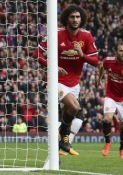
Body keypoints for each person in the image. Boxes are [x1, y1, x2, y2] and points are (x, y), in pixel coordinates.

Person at [32, 4, 98, 156]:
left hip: (74, 83)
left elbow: (95, 61)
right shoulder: (56, 34)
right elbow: (36, 54)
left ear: (81, 19)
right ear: (66, 18)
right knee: (74, 107)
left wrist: (82, 55)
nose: (75, 20)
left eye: (78, 17)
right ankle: (65, 138)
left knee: (71, 111)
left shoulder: (86, 36)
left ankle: (62, 141)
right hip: (55, 80)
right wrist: (53, 67)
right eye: (72, 17)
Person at [96, 42, 123, 158]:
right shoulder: (108, 61)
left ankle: (122, 149)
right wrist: (99, 79)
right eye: (121, 51)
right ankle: (107, 143)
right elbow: (101, 66)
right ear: (116, 51)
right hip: (110, 95)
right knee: (107, 119)